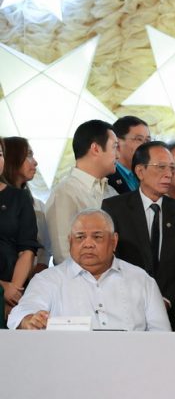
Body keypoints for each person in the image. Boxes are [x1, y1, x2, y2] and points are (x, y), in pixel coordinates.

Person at [7, 209, 171, 331]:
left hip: (131, 368)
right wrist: (29, 319)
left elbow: (161, 335)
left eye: (97, 237)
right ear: (70, 241)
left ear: (114, 241)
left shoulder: (141, 280)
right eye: (80, 237)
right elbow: (21, 313)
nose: (88, 244)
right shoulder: (48, 280)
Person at [102, 142, 175, 328]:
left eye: (171, 167)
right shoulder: (114, 208)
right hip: (125, 310)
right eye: (161, 167)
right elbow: (109, 260)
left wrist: (167, 298)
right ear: (140, 171)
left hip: (172, 311)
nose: (169, 174)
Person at [46, 120, 119, 265]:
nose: (118, 155)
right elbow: (63, 253)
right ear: (96, 149)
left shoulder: (111, 192)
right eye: (114, 147)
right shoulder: (65, 193)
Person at [0, 138, 39, 320]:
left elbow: (27, 250)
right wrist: (2, 287)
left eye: (0, 155)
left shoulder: (19, 197)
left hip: (14, 292)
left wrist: (12, 293)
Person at [1, 136, 51, 272]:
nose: (35, 162)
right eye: (28, 155)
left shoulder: (38, 204)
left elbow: (45, 250)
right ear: (11, 158)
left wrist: (36, 277)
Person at [108, 116, 151, 194]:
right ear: (117, 142)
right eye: (139, 139)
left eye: (148, 140)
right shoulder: (106, 176)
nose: (145, 145)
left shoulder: (146, 174)